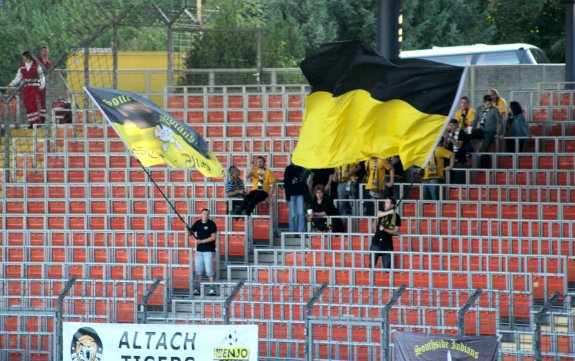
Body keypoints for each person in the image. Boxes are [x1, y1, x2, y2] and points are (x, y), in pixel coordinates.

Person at [9, 51, 45, 128]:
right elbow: (17, 78)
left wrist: (42, 85)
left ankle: (36, 123)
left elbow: (42, 76)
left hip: (34, 87)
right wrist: (11, 85)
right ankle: (31, 122)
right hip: (25, 88)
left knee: (33, 104)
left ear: (28, 57)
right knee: (27, 105)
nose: (23, 58)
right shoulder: (22, 67)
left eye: (24, 57)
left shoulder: (36, 66)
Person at [188, 209, 217, 296]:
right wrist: (187, 228)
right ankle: (197, 289)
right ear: (201, 215)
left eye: (207, 214)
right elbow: (190, 233)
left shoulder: (211, 224)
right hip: (199, 251)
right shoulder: (198, 223)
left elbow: (213, 237)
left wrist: (202, 241)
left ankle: (212, 289)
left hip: (208, 250)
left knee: (209, 270)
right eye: (204, 214)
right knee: (198, 271)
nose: (206, 215)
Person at [472, 94, 504, 168]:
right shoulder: (479, 109)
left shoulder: (494, 110)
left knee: (485, 148)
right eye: (487, 104)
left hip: (489, 131)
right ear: (484, 103)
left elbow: (499, 121)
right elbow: (475, 120)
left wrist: (498, 133)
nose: (489, 105)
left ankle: (484, 167)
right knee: (467, 135)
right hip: (481, 129)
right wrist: (469, 128)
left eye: (490, 103)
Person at [370, 197, 401, 269]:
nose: (385, 204)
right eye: (385, 202)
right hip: (376, 242)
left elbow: (395, 231)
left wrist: (385, 229)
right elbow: (379, 214)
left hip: (387, 244)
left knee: (387, 267)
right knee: (371, 265)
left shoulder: (396, 217)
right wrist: (389, 212)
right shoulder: (382, 211)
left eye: (387, 203)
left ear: (392, 205)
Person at [444, 119, 469, 184]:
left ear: (457, 125)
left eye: (453, 125)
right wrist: (445, 138)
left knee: (458, 180)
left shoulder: (461, 133)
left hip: (459, 159)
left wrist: (450, 137)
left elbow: (458, 146)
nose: (451, 127)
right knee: (449, 179)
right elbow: (444, 147)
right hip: (449, 159)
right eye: (449, 125)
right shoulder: (448, 132)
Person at [283, 162, 306, 232]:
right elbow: (286, 183)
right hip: (291, 194)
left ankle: (301, 231)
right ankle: (292, 232)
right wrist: (287, 197)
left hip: (300, 194)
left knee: (301, 213)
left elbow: (303, 182)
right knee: (292, 214)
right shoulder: (288, 168)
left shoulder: (301, 168)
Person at [38, 46, 53, 122]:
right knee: (34, 102)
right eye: (43, 51)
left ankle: (43, 119)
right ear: (41, 52)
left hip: (46, 84)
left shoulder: (49, 62)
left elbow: (50, 73)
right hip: (37, 83)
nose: (45, 53)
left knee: (44, 102)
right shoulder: (37, 60)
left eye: (46, 51)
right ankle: (35, 120)